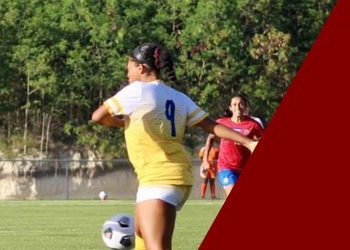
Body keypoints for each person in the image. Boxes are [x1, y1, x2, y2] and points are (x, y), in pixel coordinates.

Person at [90, 43, 258, 250]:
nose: (127, 73)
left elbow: (98, 116)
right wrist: (249, 142)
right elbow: (211, 126)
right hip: (165, 177)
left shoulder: (137, 90)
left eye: (129, 68)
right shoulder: (179, 97)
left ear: (141, 68)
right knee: (142, 242)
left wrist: (124, 122)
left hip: (162, 178)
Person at [203, 95, 264, 196]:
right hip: (226, 167)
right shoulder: (221, 123)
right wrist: (205, 160)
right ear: (230, 108)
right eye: (234, 104)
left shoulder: (253, 125)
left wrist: (249, 141)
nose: (238, 107)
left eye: (241, 104)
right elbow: (210, 138)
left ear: (245, 107)